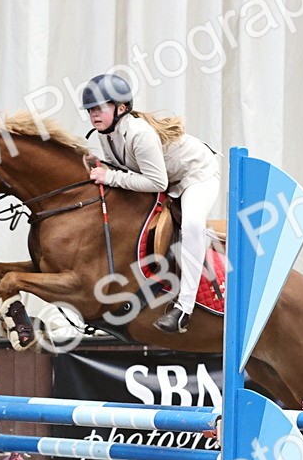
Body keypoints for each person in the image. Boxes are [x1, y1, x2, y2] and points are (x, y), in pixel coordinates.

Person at [81, 73, 221, 334]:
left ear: (121, 108)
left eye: (99, 108)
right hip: (169, 177)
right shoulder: (105, 133)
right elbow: (128, 169)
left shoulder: (139, 133)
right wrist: (101, 165)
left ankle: (184, 310)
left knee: (191, 225)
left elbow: (157, 183)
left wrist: (109, 175)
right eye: (90, 110)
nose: (94, 115)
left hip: (196, 175)